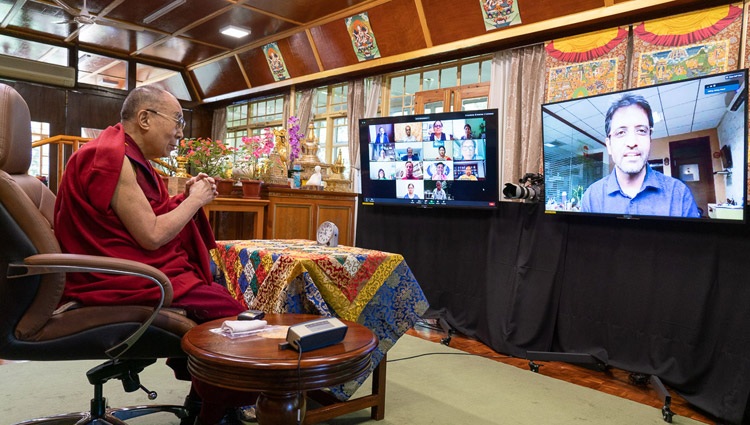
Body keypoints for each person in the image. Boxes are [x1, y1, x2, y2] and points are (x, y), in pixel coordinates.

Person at [54, 86, 254, 425]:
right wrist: (194, 201)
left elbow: (146, 217)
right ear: (145, 118)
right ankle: (215, 411)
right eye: (177, 121)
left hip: (128, 268)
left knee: (217, 298)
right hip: (116, 278)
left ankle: (207, 403)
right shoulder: (109, 157)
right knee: (236, 320)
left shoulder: (127, 155)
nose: (180, 133)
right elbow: (151, 235)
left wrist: (184, 197)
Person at [581, 94, 700, 217]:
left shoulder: (679, 194)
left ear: (650, 138)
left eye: (641, 131)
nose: (632, 143)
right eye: (621, 132)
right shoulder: (591, 197)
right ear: (609, 145)